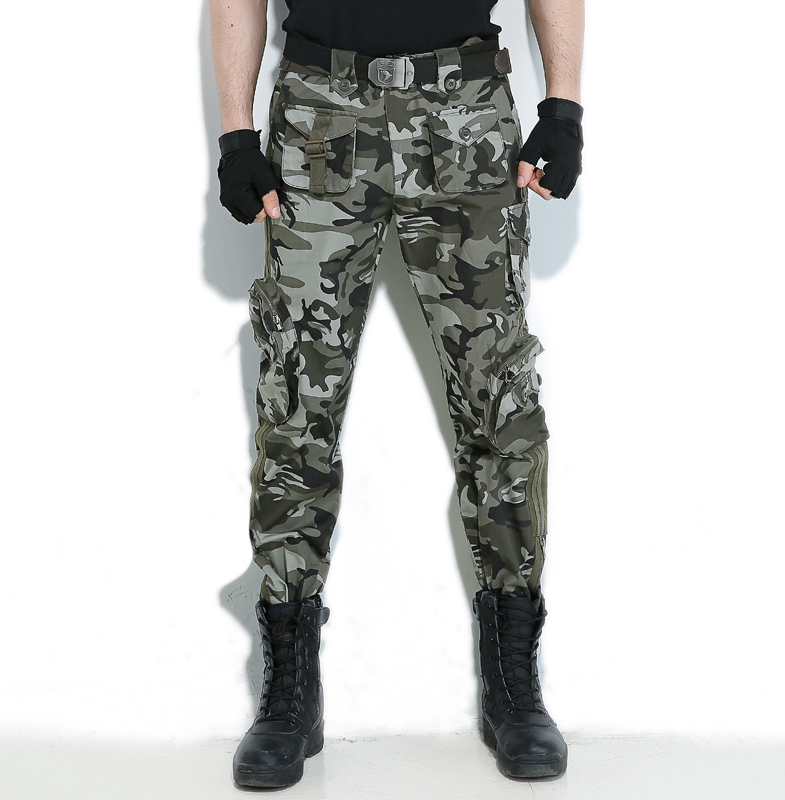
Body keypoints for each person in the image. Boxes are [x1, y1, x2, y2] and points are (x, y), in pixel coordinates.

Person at [208, 0, 584, 788]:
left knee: (500, 406)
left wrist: (563, 106)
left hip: (466, 117)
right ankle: (289, 694)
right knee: (296, 406)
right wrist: (237, 136)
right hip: (319, 119)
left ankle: (515, 686)